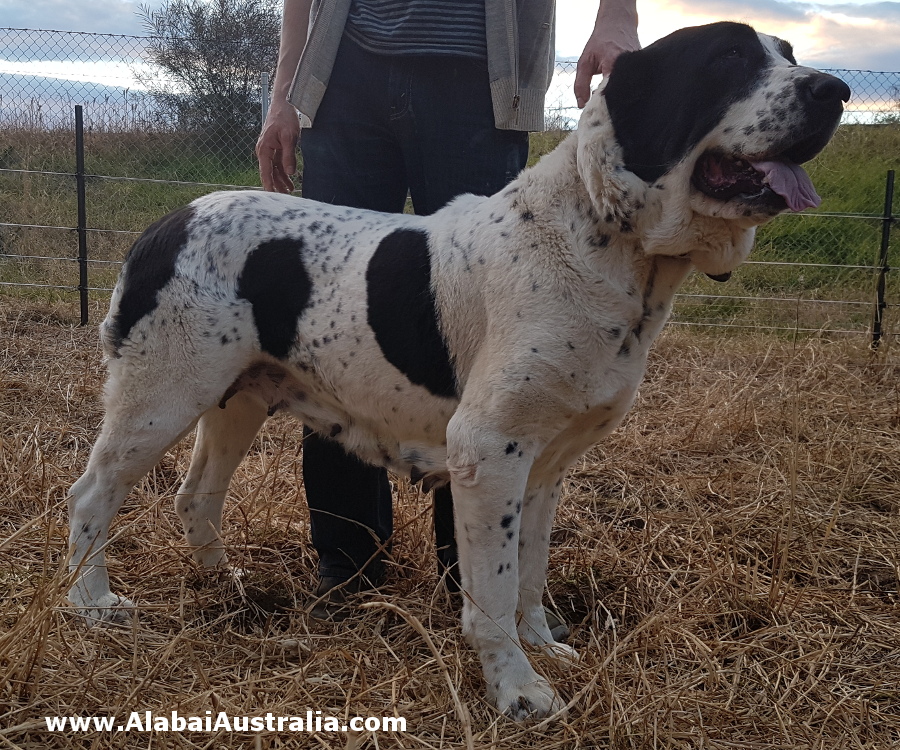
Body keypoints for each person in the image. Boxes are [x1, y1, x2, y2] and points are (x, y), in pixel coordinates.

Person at [256, 0, 639, 622]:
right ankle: (347, 561)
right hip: (342, 76)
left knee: (485, 339)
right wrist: (284, 95)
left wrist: (618, 16)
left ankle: (476, 579)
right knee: (330, 331)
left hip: (478, 77)